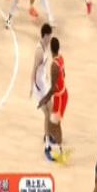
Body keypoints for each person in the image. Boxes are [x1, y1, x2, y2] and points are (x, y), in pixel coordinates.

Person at [38, 37, 68, 162]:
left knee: (54, 125)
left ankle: (58, 150)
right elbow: (64, 74)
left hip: (59, 97)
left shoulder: (53, 65)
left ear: (51, 49)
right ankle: (50, 140)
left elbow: (53, 88)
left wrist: (44, 99)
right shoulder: (61, 58)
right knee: (53, 123)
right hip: (63, 93)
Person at [31, 23, 56, 161]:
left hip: (44, 84)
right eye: (50, 36)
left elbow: (43, 67)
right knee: (47, 114)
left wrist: (46, 76)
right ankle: (47, 146)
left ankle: (47, 134)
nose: (51, 38)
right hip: (39, 87)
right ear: (45, 35)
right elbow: (34, 70)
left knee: (51, 110)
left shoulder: (45, 47)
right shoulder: (39, 51)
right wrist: (32, 87)